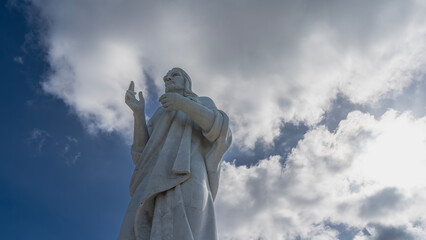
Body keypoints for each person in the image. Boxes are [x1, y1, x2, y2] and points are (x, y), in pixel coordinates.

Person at [118, 68, 232, 240]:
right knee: (133, 231)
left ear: (187, 81)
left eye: (175, 75)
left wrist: (182, 104)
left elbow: (220, 130)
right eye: (166, 77)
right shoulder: (160, 113)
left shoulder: (201, 102)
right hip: (151, 178)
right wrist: (138, 114)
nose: (168, 78)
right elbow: (141, 156)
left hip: (188, 174)